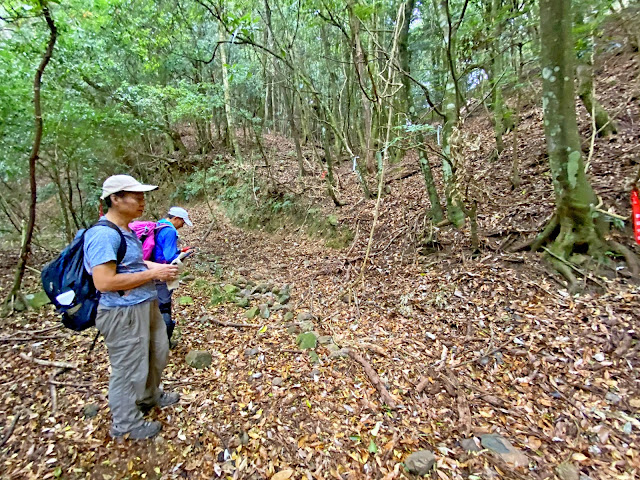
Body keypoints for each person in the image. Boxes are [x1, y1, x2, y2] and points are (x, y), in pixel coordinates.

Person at [84, 174, 181, 439]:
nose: (142, 202)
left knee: (156, 352)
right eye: (136, 197)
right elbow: (104, 281)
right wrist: (152, 275)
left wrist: (158, 268)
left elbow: (133, 264)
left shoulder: (127, 229)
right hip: (122, 311)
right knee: (128, 367)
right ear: (115, 199)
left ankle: (149, 396)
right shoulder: (104, 234)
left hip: (145, 304)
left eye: (143, 197)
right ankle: (126, 423)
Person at [154, 207, 192, 345]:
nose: (182, 226)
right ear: (176, 218)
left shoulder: (158, 225)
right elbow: (170, 257)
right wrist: (184, 255)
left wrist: (179, 250)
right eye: (182, 222)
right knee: (164, 307)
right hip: (162, 273)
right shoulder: (170, 231)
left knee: (153, 306)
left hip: (150, 270)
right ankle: (164, 343)